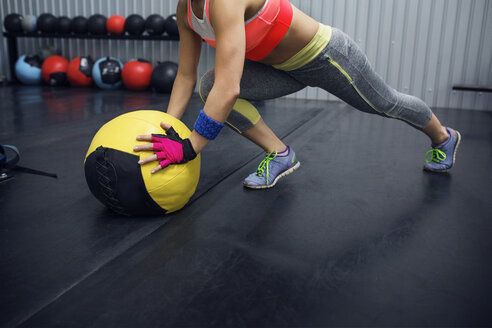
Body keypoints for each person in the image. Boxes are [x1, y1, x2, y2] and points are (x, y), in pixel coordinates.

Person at [134, 0, 461, 189]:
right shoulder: (186, 10)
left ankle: (443, 137)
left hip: (326, 57)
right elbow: (186, 75)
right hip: (280, 70)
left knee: (385, 103)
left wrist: (190, 146)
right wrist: (164, 127)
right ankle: (280, 154)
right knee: (207, 84)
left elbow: (230, 87)